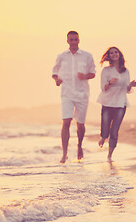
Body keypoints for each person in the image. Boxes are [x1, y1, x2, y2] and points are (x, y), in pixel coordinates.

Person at [52, 31, 96, 163]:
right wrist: (57, 80)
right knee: (66, 121)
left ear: (79, 40)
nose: (73, 42)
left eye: (75, 39)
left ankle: (79, 146)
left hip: (82, 94)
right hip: (67, 93)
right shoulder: (61, 56)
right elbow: (54, 72)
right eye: (71, 40)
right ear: (67, 41)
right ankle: (64, 153)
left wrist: (85, 76)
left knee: (80, 124)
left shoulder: (87, 56)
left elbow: (93, 73)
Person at [97, 47, 136, 161]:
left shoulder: (126, 71)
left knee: (114, 131)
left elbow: (127, 90)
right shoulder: (106, 70)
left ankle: (109, 156)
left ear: (120, 54)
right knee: (105, 130)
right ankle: (103, 137)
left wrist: (130, 85)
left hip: (120, 104)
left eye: (116, 52)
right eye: (111, 53)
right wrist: (109, 82)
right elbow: (103, 88)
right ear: (108, 56)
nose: (114, 54)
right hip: (107, 103)